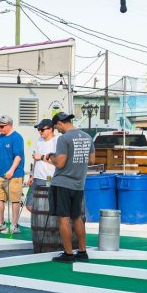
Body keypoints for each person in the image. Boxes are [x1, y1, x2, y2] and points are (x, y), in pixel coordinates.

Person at [48, 112, 93, 262]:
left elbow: (60, 163)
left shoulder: (64, 138)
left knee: (64, 219)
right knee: (77, 218)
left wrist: (50, 157)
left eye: (56, 127)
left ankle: (68, 254)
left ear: (60, 123)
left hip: (62, 183)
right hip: (79, 184)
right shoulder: (87, 137)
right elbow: (92, 160)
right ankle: (82, 251)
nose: (57, 131)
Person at [0, 115, 25, 234]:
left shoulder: (17, 138)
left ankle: (14, 225)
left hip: (14, 175)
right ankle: (1, 223)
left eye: (1, 126)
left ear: (9, 125)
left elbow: (18, 156)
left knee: (15, 199)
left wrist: (11, 170)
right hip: (1, 175)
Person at [25, 119, 57, 210]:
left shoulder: (56, 141)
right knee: (29, 205)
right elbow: (35, 159)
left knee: (45, 206)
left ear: (50, 129)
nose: (39, 131)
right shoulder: (40, 140)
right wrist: (32, 175)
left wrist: (41, 157)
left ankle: (45, 224)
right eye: (38, 129)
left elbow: (58, 161)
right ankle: (40, 223)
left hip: (49, 178)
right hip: (37, 178)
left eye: (42, 129)